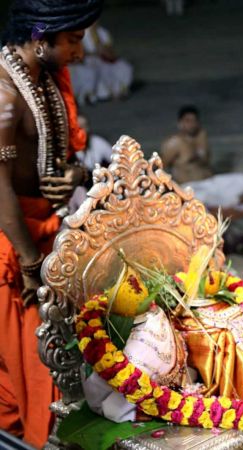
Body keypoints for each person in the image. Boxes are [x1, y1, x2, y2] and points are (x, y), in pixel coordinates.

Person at [0, 1, 103, 447]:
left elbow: (63, 157)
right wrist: (27, 264)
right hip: (14, 246)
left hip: (50, 235)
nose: (79, 53)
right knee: (37, 368)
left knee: (64, 358)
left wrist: (75, 175)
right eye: (74, 40)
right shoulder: (3, 92)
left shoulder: (46, 76)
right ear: (41, 38)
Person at [161, 106, 243, 214]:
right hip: (191, 186)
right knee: (199, 197)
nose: (191, 124)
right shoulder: (174, 142)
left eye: (194, 120)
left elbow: (206, 161)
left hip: (210, 182)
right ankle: (229, 204)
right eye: (188, 121)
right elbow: (161, 167)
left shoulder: (201, 136)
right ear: (180, 123)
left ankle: (223, 202)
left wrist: (201, 144)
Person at [69, 21, 133, 103]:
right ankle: (86, 95)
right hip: (86, 61)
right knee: (90, 70)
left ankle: (120, 90)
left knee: (124, 66)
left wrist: (100, 43)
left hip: (102, 59)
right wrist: (93, 53)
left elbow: (110, 54)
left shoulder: (103, 32)